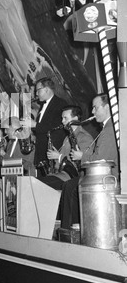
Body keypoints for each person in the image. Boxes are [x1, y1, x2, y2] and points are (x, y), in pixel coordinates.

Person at [59, 93, 120, 229]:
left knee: (70, 187)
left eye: (95, 108)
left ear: (108, 107)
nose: (92, 112)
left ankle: (71, 228)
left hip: (107, 178)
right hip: (104, 176)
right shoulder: (108, 128)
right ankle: (75, 225)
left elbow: (102, 159)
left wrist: (82, 157)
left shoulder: (109, 130)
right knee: (70, 186)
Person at [38, 105, 94, 190]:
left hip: (71, 179)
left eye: (65, 118)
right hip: (61, 175)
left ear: (75, 119)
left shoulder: (85, 137)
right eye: (62, 118)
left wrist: (59, 156)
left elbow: (80, 164)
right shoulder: (67, 137)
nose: (62, 121)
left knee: (38, 184)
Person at [32, 77, 68, 178]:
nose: (36, 94)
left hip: (51, 153)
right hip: (42, 153)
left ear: (46, 89)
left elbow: (56, 126)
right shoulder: (43, 106)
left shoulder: (60, 103)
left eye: (38, 90)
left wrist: (34, 125)